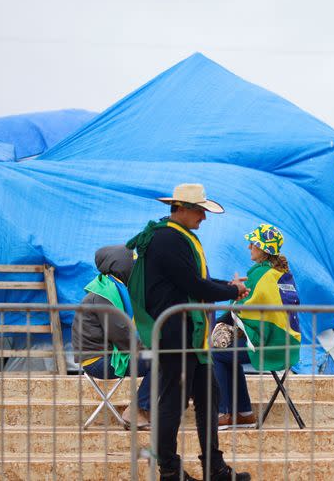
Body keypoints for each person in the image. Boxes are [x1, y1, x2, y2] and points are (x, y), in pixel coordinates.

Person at [127, 183, 251, 481]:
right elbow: (194, 285)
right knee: (172, 403)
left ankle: (214, 466)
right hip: (176, 335)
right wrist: (231, 289)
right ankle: (169, 470)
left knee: (209, 396)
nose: (204, 218)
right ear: (180, 208)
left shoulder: (176, 238)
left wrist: (229, 287)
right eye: (199, 211)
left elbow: (196, 280)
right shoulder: (168, 239)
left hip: (190, 336)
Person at [212, 224, 301, 428]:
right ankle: (244, 413)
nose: (249, 246)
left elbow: (240, 308)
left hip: (272, 347)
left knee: (217, 354)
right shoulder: (281, 273)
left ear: (263, 248)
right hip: (288, 344)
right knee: (229, 355)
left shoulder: (260, 274)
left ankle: (224, 413)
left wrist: (219, 324)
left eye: (253, 243)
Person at [71, 245, 151, 429]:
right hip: (99, 360)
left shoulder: (114, 290)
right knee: (164, 361)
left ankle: (146, 409)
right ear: (121, 266)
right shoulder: (104, 296)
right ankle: (138, 410)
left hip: (110, 354)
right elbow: (124, 338)